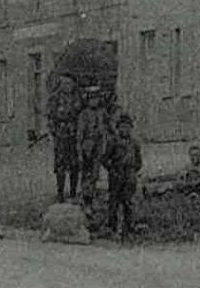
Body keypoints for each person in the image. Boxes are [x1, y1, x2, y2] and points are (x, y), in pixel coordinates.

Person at [103, 112, 144, 238]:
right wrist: (112, 169)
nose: (124, 129)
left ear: (131, 128)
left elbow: (139, 161)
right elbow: (105, 159)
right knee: (113, 202)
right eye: (122, 127)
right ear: (117, 128)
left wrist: (132, 171)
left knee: (128, 202)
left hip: (129, 176)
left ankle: (128, 228)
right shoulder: (113, 142)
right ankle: (112, 227)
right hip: (116, 175)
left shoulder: (135, 143)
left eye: (127, 127)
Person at [75, 87, 112, 217]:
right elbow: (79, 134)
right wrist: (80, 152)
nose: (94, 101)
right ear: (87, 100)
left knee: (95, 175)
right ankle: (87, 203)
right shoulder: (84, 115)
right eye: (92, 98)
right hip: (88, 147)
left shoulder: (102, 113)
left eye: (96, 98)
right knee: (87, 175)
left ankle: (92, 199)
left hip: (99, 145)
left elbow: (109, 126)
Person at [46, 73, 82, 203]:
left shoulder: (77, 97)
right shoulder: (54, 98)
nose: (68, 86)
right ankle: (60, 192)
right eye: (65, 83)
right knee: (60, 164)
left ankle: (73, 192)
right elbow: (50, 117)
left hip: (74, 134)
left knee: (74, 164)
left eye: (70, 84)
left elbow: (81, 115)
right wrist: (53, 132)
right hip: (61, 134)